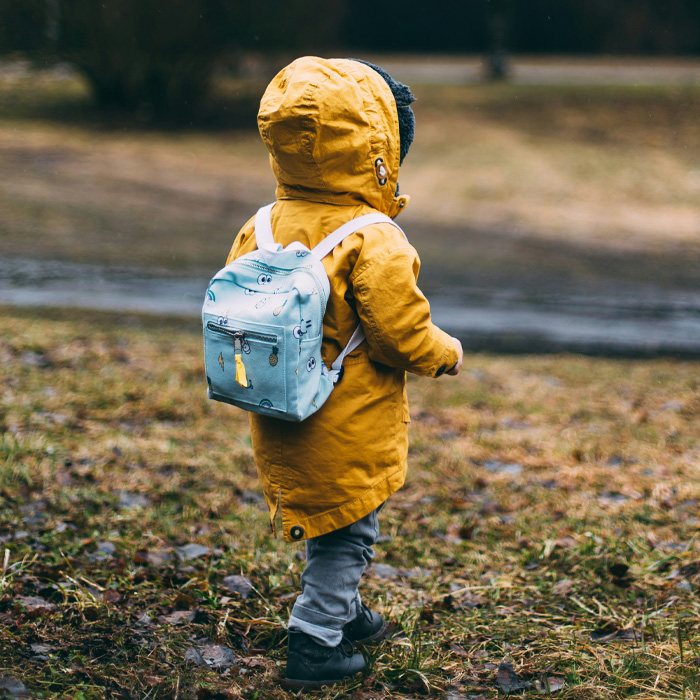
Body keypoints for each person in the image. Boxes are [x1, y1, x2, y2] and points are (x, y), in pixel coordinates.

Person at [225, 56, 463, 690]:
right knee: (350, 532)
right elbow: (399, 333)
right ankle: (316, 639)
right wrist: (445, 351)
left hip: (280, 410)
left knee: (333, 518)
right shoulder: (373, 237)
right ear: (378, 150)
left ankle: (346, 612)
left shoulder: (263, 226)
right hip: (346, 418)